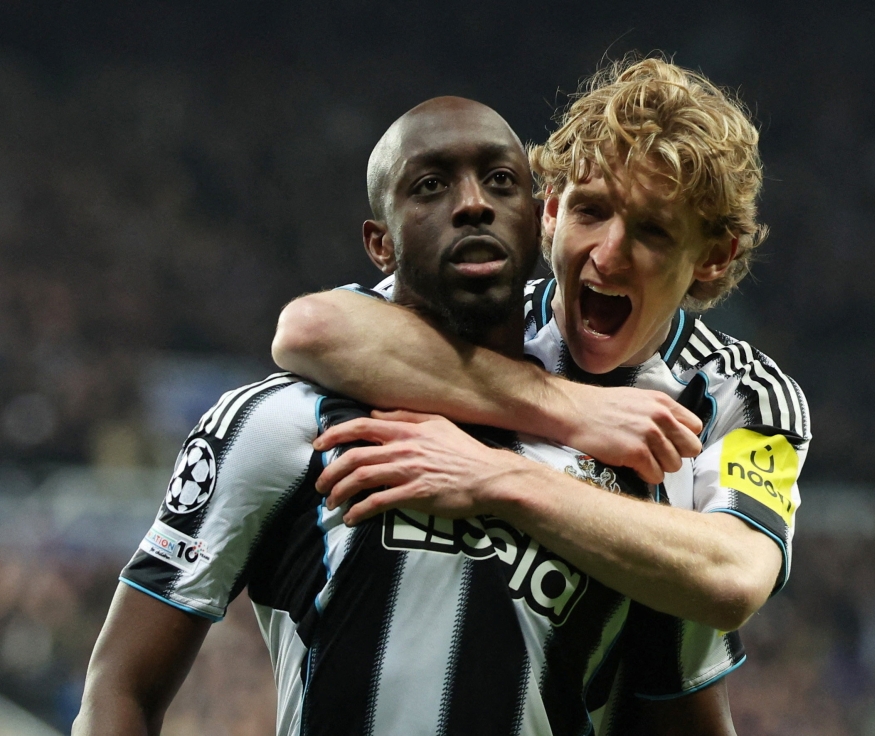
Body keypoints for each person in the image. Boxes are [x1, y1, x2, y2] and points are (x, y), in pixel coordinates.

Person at [74, 95, 737, 736]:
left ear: (539, 221)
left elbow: (684, 719)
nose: (474, 203)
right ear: (380, 245)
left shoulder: (636, 474)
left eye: (502, 181)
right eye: (429, 187)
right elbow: (121, 687)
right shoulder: (277, 422)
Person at [273, 56, 811, 729]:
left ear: (714, 257)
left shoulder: (741, 394)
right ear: (550, 209)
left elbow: (734, 577)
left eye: (652, 230)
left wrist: (500, 477)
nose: (608, 256)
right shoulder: (482, 317)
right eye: (591, 210)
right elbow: (309, 330)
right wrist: (568, 407)